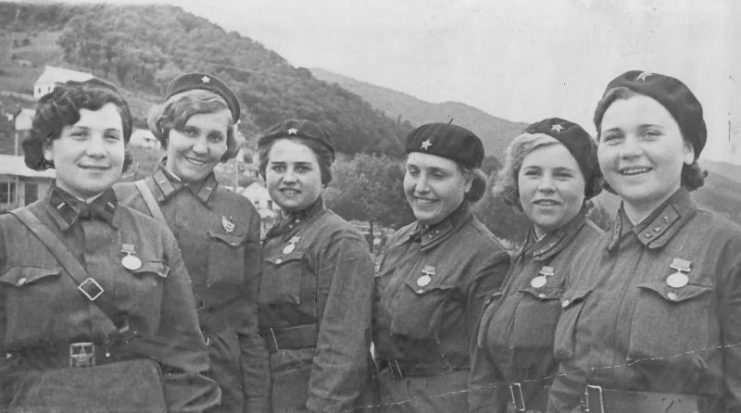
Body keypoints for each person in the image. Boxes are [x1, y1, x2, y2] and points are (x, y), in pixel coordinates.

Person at [0, 78, 219, 412]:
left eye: (111, 137)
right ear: (48, 147)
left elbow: (185, 360)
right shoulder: (7, 235)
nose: (98, 151)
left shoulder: (154, 237)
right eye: (79, 135)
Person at [547, 70, 741, 413]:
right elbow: (567, 384)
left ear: (688, 149)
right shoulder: (587, 255)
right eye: (614, 138)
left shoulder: (728, 249)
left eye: (649, 134)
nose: (629, 152)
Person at [115, 73, 268, 412]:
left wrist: (256, 403)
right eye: (189, 131)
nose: (201, 148)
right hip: (138, 380)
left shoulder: (241, 211)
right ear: (165, 130)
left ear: (227, 145)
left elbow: (248, 321)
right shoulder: (120, 201)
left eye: (215, 137)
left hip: (218, 383)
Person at [468, 118, 603, 413]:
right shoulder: (519, 259)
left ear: (588, 185)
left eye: (563, 175)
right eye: (532, 173)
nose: (545, 187)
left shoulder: (601, 258)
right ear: (516, 182)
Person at [372, 123, 510, 412]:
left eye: (437, 175)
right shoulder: (400, 240)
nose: (421, 187)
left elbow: (488, 369)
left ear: (469, 182)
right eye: (413, 172)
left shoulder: (486, 256)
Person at [257, 119, 375, 412]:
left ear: (324, 176)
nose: (289, 177)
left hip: (312, 395)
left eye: (302, 168)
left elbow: (343, 347)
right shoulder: (273, 237)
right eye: (278, 167)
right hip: (271, 390)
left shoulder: (340, 240)